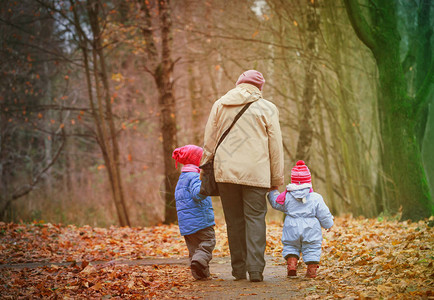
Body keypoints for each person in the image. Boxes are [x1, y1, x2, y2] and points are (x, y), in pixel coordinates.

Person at [201, 70, 284, 282]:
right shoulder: (268, 108)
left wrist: (204, 167)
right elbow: (275, 147)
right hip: (256, 174)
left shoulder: (220, 104)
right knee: (255, 219)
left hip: (225, 173)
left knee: (234, 220)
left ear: (238, 83)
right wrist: (276, 180)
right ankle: (255, 270)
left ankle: (238, 269)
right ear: (259, 88)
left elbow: (209, 141)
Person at [267, 160, 334, 278]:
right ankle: (312, 270)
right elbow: (324, 213)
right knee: (312, 247)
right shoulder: (316, 197)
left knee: (291, 246)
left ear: (293, 180)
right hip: (311, 228)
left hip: (291, 226)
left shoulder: (287, 196)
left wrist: (273, 191)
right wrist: (328, 224)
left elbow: (276, 203)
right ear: (309, 181)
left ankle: (292, 264)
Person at [172, 145, 216, 280]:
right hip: (201, 220)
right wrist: (207, 184)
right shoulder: (195, 176)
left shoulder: (182, 178)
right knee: (208, 241)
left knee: (194, 250)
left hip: (187, 224)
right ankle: (199, 262)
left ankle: (201, 275)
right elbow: (198, 194)